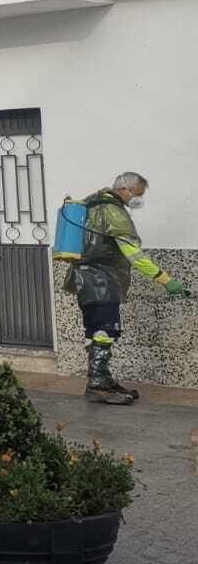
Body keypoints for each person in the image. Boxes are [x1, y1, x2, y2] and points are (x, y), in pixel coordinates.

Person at [70, 172, 189, 405]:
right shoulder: (113, 212)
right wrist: (166, 280)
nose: (139, 199)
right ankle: (96, 385)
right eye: (139, 194)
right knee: (104, 331)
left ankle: (103, 379)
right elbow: (134, 255)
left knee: (97, 330)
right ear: (126, 188)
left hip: (86, 281)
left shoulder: (94, 203)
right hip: (100, 282)